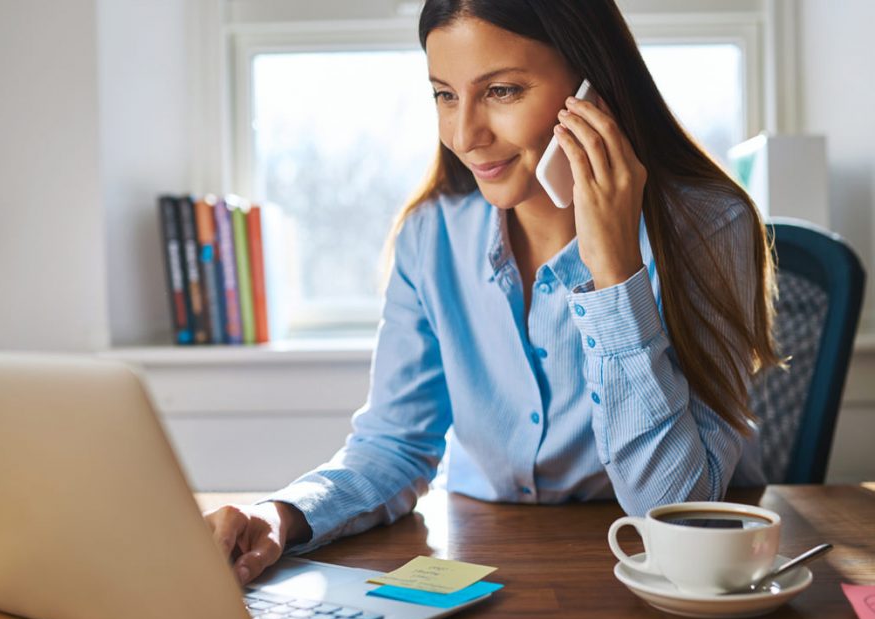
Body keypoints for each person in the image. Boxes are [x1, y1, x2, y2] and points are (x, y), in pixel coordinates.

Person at [206, 0, 779, 586]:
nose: (465, 134)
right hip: (482, 571)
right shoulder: (432, 235)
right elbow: (394, 446)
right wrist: (281, 516)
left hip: (655, 582)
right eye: (445, 95)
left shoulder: (709, 228)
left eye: (502, 91)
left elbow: (673, 509)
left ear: (593, 86)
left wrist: (614, 271)